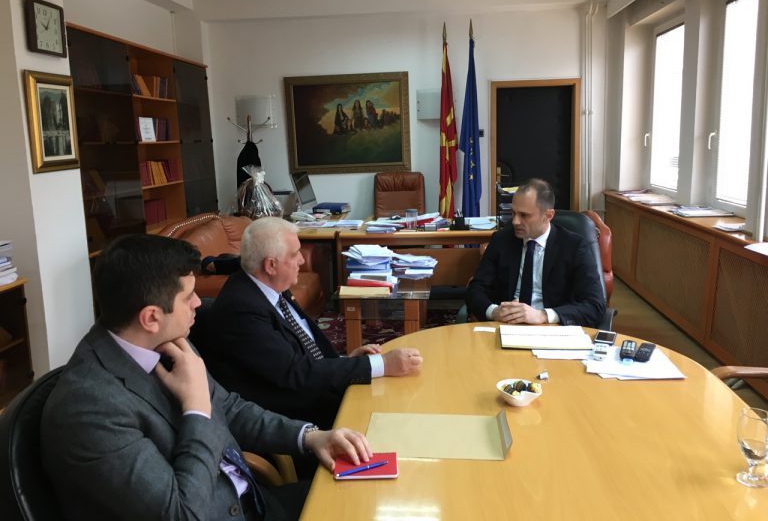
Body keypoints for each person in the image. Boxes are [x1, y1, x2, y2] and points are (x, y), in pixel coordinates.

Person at [40, 234, 373, 521]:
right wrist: (197, 410)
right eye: (188, 297)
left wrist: (311, 437)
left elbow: (230, 408)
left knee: (371, 498)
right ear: (151, 317)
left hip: (254, 503)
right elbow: (183, 513)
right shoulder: (88, 410)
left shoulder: (168, 342)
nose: (199, 303)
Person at [205, 217, 423, 432]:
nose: (302, 260)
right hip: (302, 416)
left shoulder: (268, 282)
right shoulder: (242, 311)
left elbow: (302, 356)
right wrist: (381, 364)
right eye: (294, 254)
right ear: (271, 265)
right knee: (400, 415)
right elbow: (295, 373)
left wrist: (345, 362)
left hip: (316, 382)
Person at [465, 178, 605, 327]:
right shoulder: (501, 240)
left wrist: (543, 315)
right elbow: (475, 289)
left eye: (524, 215)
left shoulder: (574, 246)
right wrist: (494, 311)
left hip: (552, 328)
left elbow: (595, 305)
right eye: (513, 213)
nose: (515, 221)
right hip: (505, 325)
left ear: (548, 216)